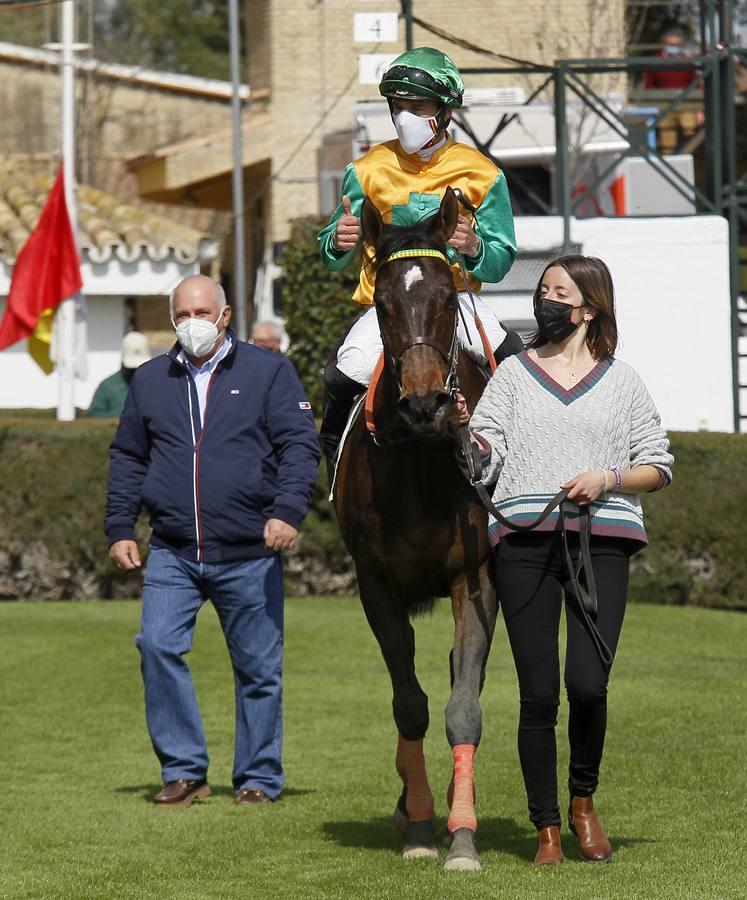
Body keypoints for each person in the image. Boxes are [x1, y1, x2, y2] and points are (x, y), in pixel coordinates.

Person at [466, 256, 673, 864]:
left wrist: (607, 477)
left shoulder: (624, 380)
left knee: (588, 684)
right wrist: (465, 439)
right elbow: (483, 460)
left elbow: (657, 466)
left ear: (589, 307)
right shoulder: (508, 376)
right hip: (524, 545)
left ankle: (584, 802)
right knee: (537, 692)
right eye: (543, 291)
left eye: (560, 292)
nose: (546, 301)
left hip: (600, 541)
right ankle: (547, 828)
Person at [105, 274, 320, 807]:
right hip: (173, 551)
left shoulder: (268, 371)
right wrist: (119, 527)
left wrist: (288, 511)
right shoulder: (151, 379)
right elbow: (128, 456)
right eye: (182, 314)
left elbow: (299, 446)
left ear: (225, 317)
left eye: (202, 313)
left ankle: (257, 778)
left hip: (250, 552)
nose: (192, 323)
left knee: (258, 671)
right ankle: (184, 771)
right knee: (156, 646)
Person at [317, 46, 521, 461]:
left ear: (445, 111)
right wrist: (337, 241)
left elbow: (501, 261)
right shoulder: (365, 170)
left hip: (456, 302)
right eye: (398, 106)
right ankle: (330, 461)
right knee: (342, 376)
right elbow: (330, 250)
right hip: (390, 305)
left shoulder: (483, 173)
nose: (404, 116)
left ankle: (529, 456)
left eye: (418, 106)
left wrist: (475, 246)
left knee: (513, 358)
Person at [643, 27, 702, 154]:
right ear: (664, 44)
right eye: (671, 44)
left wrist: (699, 110)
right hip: (664, 105)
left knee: (689, 129)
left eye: (676, 44)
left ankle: (687, 155)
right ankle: (669, 164)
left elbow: (696, 85)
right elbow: (649, 86)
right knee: (667, 143)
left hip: (686, 103)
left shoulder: (687, 61)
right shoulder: (656, 61)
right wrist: (652, 107)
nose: (673, 47)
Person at [88, 331, 150, 418]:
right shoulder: (107, 386)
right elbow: (94, 415)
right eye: (132, 368)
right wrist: (124, 414)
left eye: (141, 367)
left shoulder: (157, 384)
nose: (136, 371)